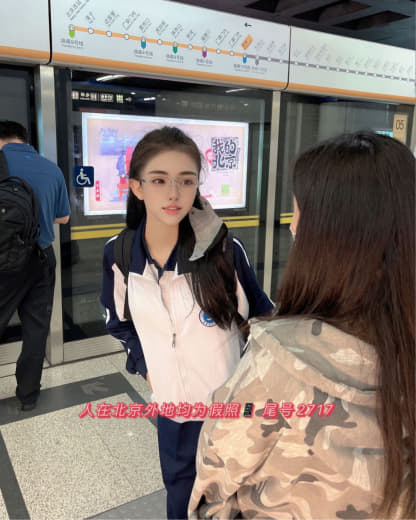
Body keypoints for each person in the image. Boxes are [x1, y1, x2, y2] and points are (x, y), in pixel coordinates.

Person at [188, 132, 415, 519]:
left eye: (298, 213)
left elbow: (214, 486)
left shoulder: (276, 364)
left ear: (331, 235)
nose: (292, 226)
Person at [101, 126, 273, 519]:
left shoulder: (225, 250)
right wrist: (147, 370)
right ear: (137, 187)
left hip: (229, 412)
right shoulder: (120, 254)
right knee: (180, 498)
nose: (174, 193)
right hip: (173, 412)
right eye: (159, 180)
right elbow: (119, 322)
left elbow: (263, 319)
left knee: (234, 502)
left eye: (186, 180)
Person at [0, 120, 70, 411]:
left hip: (3, 260)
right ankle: (28, 395)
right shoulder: (52, 169)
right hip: (41, 258)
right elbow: (63, 217)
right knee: (36, 329)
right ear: (25, 140)